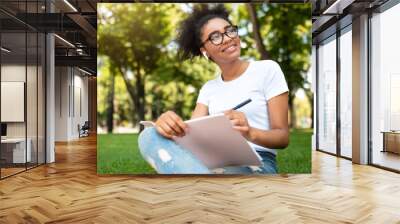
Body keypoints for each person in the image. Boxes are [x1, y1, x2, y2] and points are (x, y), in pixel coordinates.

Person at [138, 4, 289, 174]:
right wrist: (167, 125)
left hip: (256, 163)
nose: (227, 38)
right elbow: (189, 136)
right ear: (205, 51)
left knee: (222, 174)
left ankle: (198, 183)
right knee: (149, 136)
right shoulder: (208, 88)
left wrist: (250, 132)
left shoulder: (267, 69)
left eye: (229, 30)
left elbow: (282, 137)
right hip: (213, 160)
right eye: (215, 37)